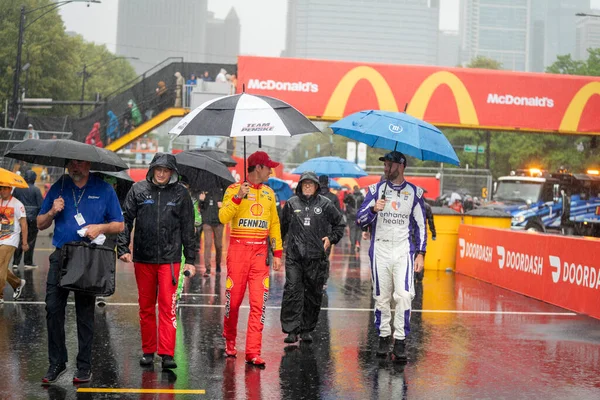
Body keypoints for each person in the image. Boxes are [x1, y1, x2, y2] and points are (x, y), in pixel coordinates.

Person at [37, 159, 124, 384]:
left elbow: (119, 224)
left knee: (85, 314)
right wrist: (52, 212)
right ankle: (57, 362)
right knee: (53, 308)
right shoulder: (60, 186)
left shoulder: (103, 188)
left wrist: (100, 228)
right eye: (71, 164)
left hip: (88, 257)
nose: (75, 168)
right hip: (61, 256)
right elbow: (39, 223)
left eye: (80, 164)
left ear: (88, 165)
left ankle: (84, 366)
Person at [117, 153, 196, 370]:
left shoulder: (181, 193)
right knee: (146, 307)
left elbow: (189, 226)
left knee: (168, 307)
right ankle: (148, 351)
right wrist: (122, 247)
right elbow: (125, 219)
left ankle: (167, 353)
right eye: (158, 169)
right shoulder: (138, 189)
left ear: (172, 172)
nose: (161, 173)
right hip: (143, 258)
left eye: (166, 170)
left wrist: (190, 259)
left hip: (170, 260)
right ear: (152, 169)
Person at [357, 151, 426, 362]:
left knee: (404, 295)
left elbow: (421, 226)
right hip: (380, 249)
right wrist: (373, 209)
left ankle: (401, 340)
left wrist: (421, 253)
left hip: (403, 249)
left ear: (401, 166)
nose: (386, 168)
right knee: (381, 297)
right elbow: (359, 219)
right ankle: (384, 336)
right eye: (385, 164)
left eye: (390, 165)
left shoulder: (415, 193)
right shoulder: (375, 190)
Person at [219, 151, 283, 367]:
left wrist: (278, 252)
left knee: (259, 304)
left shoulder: (269, 193)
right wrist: (238, 197)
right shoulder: (233, 190)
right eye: (268, 167)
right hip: (238, 252)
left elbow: (274, 223)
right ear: (258, 168)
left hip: (260, 255)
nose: (271, 171)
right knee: (234, 303)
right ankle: (229, 341)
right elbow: (222, 217)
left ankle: (253, 352)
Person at [280, 172, 345, 344]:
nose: (307, 186)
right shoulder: (291, 204)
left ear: (317, 186)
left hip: (316, 258)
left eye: (311, 184)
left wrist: (331, 239)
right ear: (300, 186)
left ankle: (307, 328)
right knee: (292, 290)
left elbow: (340, 224)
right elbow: (281, 227)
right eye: (305, 183)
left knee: (313, 293)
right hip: (294, 257)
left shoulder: (325, 204)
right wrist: (275, 250)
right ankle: (291, 330)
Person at [0, 185, 28, 304]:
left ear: (10, 189)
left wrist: (24, 242)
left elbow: (24, 224)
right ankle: (17, 283)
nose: (3, 191)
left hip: (10, 239)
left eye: (5, 188)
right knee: (2, 267)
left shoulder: (17, 204)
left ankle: (0, 295)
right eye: (1, 188)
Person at [12, 170, 43, 270]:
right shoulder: (36, 190)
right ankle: (28, 262)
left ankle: (15, 263)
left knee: (18, 239)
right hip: (32, 218)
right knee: (31, 240)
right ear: (34, 179)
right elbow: (40, 206)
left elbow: (13, 202)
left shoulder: (17, 189)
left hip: (20, 218)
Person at [318, 175, 342, 288]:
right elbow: (338, 217)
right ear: (328, 183)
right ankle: (323, 280)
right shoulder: (333, 197)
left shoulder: (314, 196)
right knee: (324, 257)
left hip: (313, 231)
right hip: (328, 233)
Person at [199, 189, 224, 276]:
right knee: (208, 244)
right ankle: (208, 269)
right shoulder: (204, 191)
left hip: (219, 222)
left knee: (218, 245)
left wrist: (223, 206)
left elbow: (229, 206)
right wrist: (201, 201)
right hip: (207, 221)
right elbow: (200, 208)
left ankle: (218, 264)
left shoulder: (222, 191)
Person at [344, 185, 364, 253]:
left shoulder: (351, 196)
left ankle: (353, 244)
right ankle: (358, 243)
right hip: (359, 215)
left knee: (352, 230)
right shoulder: (362, 197)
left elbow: (345, 201)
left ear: (353, 189)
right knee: (359, 230)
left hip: (351, 216)